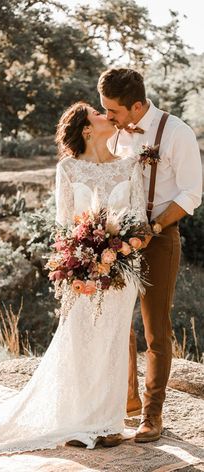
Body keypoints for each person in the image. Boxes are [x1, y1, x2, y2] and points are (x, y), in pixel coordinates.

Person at [0, 102, 147, 457]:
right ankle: (79, 417)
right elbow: (63, 225)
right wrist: (78, 264)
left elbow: (138, 217)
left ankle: (108, 422)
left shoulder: (131, 166)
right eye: (100, 114)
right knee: (80, 338)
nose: (108, 116)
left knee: (112, 338)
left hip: (122, 268)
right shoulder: (68, 168)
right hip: (81, 268)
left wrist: (123, 250)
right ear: (85, 128)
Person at [97, 68, 202, 442]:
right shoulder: (113, 135)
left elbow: (192, 193)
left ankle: (151, 414)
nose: (108, 117)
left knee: (156, 329)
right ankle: (123, 405)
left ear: (137, 105)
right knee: (117, 325)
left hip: (160, 238)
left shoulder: (177, 133)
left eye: (114, 111)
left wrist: (153, 228)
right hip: (117, 245)